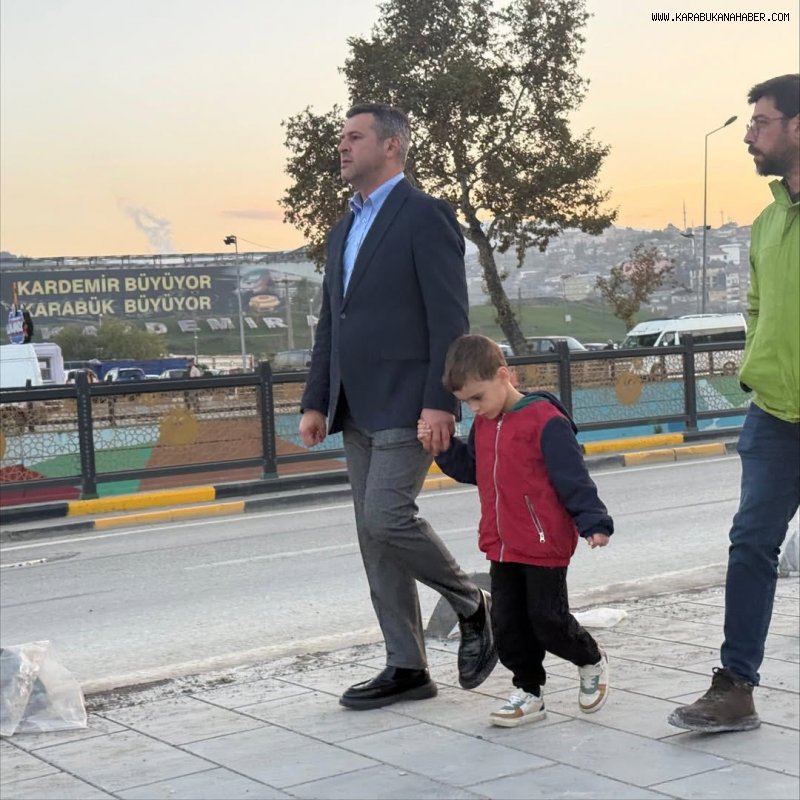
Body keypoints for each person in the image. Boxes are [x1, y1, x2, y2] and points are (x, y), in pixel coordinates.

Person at [299, 103, 496, 710]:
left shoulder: (425, 215)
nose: (342, 146)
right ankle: (407, 666)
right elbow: (332, 322)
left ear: (392, 146)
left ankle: (471, 603)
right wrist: (316, 400)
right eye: (341, 138)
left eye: (355, 137)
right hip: (353, 405)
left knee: (387, 517)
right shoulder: (342, 229)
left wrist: (441, 402)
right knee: (373, 536)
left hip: (410, 402)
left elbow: (449, 318)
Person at [669, 74, 799, 734]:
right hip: (774, 416)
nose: (749, 135)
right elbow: (756, 305)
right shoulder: (769, 222)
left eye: (761, 122)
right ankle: (735, 687)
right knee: (751, 545)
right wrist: (758, 368)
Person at [419, 334, 613, 727]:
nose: (475, 409)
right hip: (502, 545)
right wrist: (444, 450)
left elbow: (572, 477)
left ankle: (590, 659)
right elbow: (474, 469)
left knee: (548, 620)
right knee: (508, 624)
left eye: (478, 397)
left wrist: (593, 521)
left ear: (504, 376)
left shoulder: (545, 421)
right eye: (466, 402)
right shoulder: (485, 425)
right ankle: (529, 692)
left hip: (543, 543)